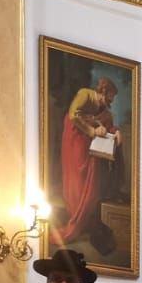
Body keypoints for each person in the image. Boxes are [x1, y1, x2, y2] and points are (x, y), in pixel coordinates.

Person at [55, 76, 120, 252]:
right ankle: (76, 218)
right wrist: (92, 131)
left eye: (112, 99)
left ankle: (83, 219)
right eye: (109, 97)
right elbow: (73, 114)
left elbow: (107, 123)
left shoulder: (105, 110)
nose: (110, 101)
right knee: (76, 180)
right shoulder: (85, 94)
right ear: (103, 92)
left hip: (90, 146)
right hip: (75, 141)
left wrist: (116, 131)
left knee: (90, 184)